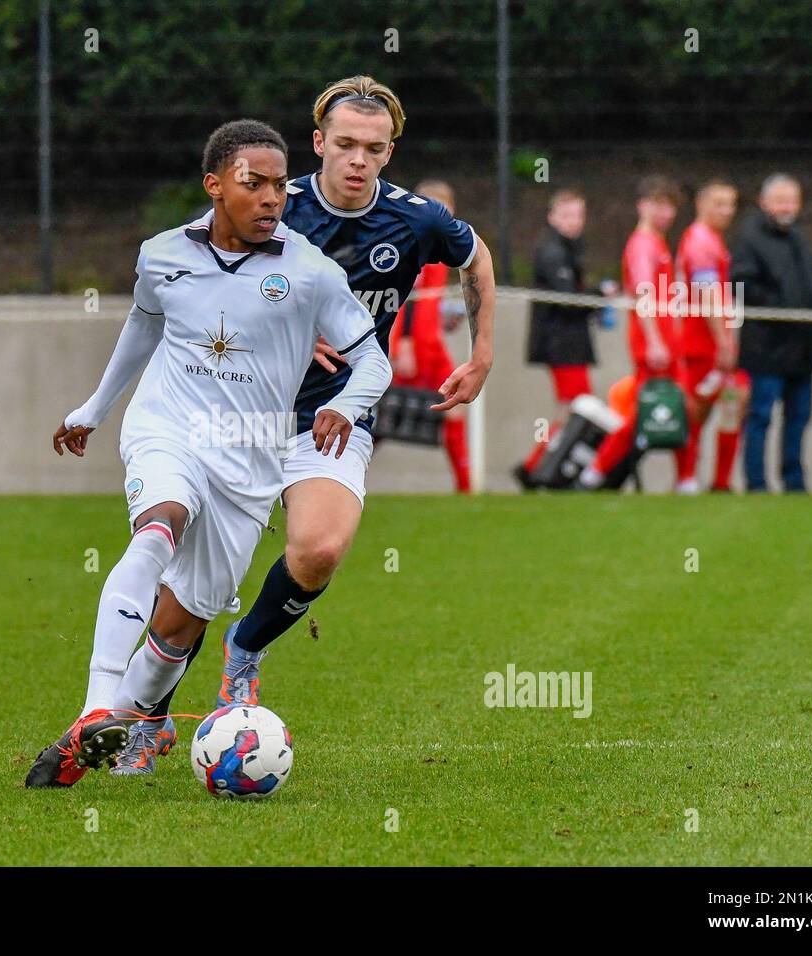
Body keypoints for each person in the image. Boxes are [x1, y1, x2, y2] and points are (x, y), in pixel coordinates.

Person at [112, 74, 496, 777]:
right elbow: (193, 277)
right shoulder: (269, 206)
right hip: (239, 419)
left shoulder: (417, 220)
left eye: (373, 148)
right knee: (189, 589)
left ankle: (246, 650)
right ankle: (148, 719)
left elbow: (475, 259)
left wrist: (482, 353)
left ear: (389, 152)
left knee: (319, 550)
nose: (358, 159)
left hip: (332, 422)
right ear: (318, 143)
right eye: (344, 144)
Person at [24, 119, 392, 787]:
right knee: (161, 521)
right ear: (216, 185)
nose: (272, 198)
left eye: (280, 185)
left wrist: (344, 403)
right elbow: (143, 326)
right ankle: (94, 709)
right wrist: (95, 409)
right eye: (255, 184)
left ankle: (110, 733)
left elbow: (372, 359)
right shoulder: (162, 254)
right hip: (168, 427)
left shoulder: (309, 270)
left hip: (249, 460)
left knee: (181, 624)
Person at [578, 176, 684, 490]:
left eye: (670, 206)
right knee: (647, 408)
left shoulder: (658, 243)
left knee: (662, 407)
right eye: (659, 205)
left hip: (663, 338)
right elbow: (642, 294)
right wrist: (654, 340)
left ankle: (600, 472)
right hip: (653, 341)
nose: (666, 213)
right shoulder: (642, 245)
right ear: (643, 206)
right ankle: (596, 471)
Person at [731, 174, 812, 492]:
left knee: (799, 417)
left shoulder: (800, 238)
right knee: (761, 416)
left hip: (803, 349)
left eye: (792, 200)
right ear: (764, 203)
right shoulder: (750, 238)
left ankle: (793, 480)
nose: (787, 207)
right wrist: (782, 309)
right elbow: (741, 285)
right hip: (766, 347)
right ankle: (756, 483)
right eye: (780, 200)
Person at [388, 179, 471, 492]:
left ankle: (465, 488)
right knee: (384, 413)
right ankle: (338, 475)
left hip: (430, 340)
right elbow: (408, 295)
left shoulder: (438, 244)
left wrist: (443, 319)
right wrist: (405, 343)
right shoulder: (414, 243)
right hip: (419, 344)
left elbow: (427, 298)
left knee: (453, 406)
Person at [674, 180, 749, 493]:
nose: (726, 211)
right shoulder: (700, 242)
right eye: (719, 203)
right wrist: (723, 341)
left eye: (730, 204)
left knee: (735, 398)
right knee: (696, 410)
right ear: (701, 204)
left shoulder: (713, 240)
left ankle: (719, 481)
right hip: (700, 343)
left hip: (714, 342)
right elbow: (707, 296)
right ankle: (688, 477)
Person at [517, 188, 594, 484]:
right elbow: (568, 300)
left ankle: (538, 468)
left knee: (574, 408)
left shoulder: (568, 249)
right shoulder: (552, 250)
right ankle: (536, 467)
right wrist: (598, 296)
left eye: (578, 215)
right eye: (567, 214)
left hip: (568, 344)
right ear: (552, 217)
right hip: (562, 344)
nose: (574, 221)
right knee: (576, 408)